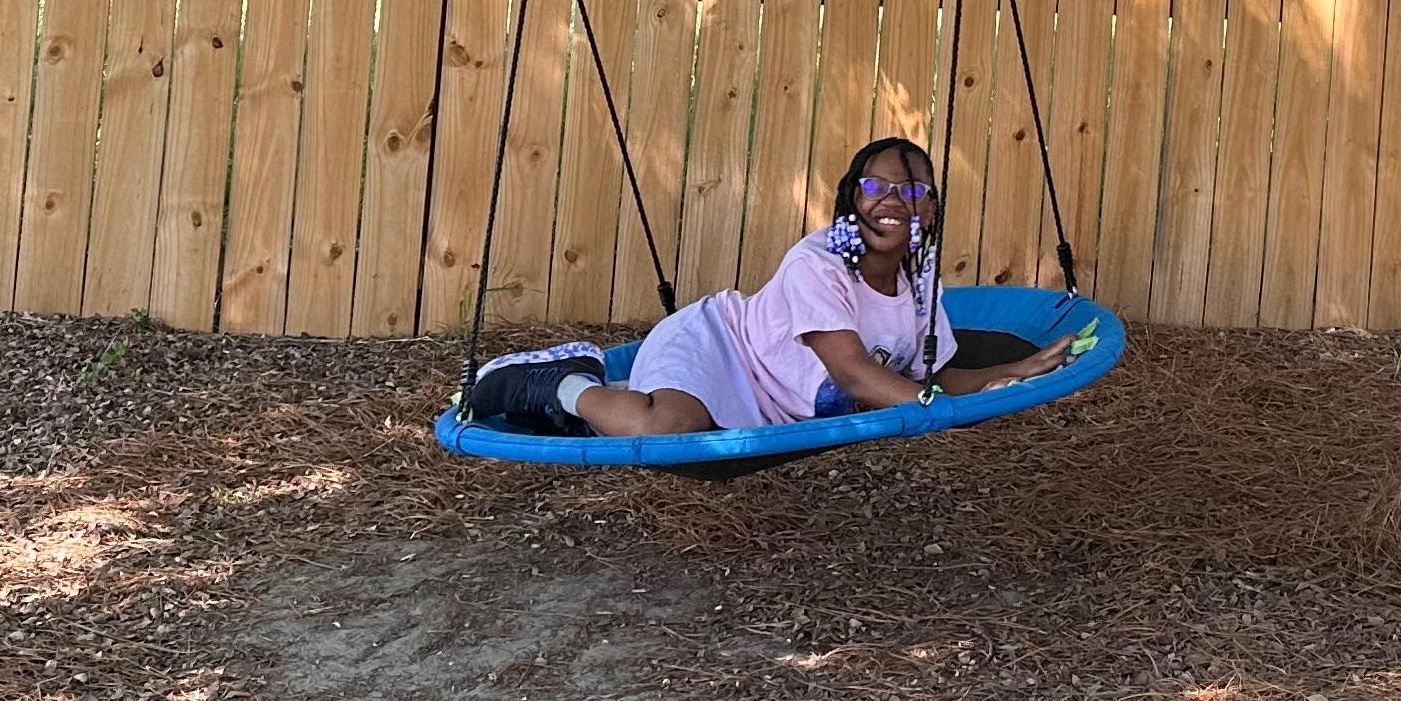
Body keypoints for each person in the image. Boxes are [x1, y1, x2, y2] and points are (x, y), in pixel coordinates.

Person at [460, 136, 1077, 438]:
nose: (894, 201)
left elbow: (929, 378)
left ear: (933, 210)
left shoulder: (922, 281)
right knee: (664, 429)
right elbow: (856, 374)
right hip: (726, 348)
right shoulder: (820, 261)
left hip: (780, 402)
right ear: (850, 199)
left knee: (673, 418)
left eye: (914, 192)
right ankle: (559, 382)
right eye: (877, 188)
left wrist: (1020, 371)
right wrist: (935, 411)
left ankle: (622, 391)